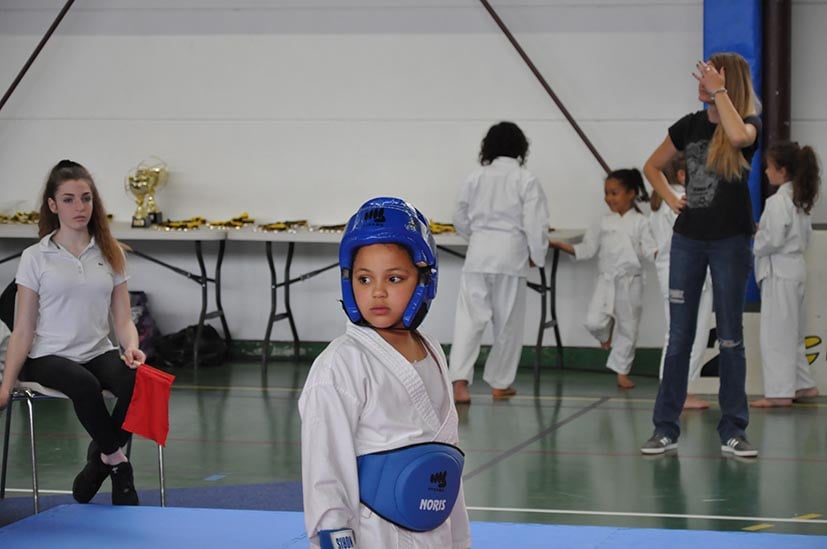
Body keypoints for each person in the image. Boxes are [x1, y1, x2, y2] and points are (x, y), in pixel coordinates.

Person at [299, 197, 471, 549]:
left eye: (394, 278)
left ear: (424, 280)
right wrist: (334, 535)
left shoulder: (432, 350)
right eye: (364, 279)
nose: (377, 292)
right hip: (375, 534)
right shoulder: (341, 364)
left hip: (434, 531)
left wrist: (460, 539)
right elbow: (325, 467)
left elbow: (446, 455)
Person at [0, 160, 144, 504]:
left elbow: (123, 319)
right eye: (68, 199)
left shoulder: (111, 252)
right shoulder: (35, 257)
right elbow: (23, 328)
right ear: (53, 205)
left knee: (138, 382)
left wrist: (131, 347)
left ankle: (101, 459)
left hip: (97, 350)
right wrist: (6, 385)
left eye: (86, 198)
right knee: (85, 385)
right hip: (46, 355)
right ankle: (118, 464)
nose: (80, 207)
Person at [641, 52, 762, 458]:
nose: (701, 80)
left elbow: (740, 137)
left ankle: (733, 430)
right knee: (679, 336)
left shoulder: (748, 123)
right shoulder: (687, 126)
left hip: (731, 241)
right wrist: (669, 197)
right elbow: (652, 166)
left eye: (709, 75)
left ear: (727, 82)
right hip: (688, 241)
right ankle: (665, 427)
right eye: (702, 75)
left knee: (730, 337)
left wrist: (721, 93)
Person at [449, 122, 549, 404]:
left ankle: (459, 384)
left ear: (488, 147)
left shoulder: (475, 177)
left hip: (478, 254)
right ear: (521, 148)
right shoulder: (526, 179)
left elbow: (458, 216)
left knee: (468, 321)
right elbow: (536, 224)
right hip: (510, 256)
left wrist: (475, 236)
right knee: (507, 324)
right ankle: (500, 383)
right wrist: (537, 255)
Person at [550, 168, 657, 389]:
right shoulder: (603, 222)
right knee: (593, 321)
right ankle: (604, 333)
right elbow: (587, 249)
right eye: (606, 193)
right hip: (606, 281)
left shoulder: (641, 222)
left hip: (631, 282)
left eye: (614, 193)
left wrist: (667, 253)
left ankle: (622, 372)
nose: (608, 198)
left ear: (631, 193)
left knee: (629, 328)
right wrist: (560, 245)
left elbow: (650, 251)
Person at [751, 141, 821, 408]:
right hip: (795, 270)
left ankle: (779, 393)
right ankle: (803, 384)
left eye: (769, 167)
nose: (766, 172)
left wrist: (757, 237)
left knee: (777, 334)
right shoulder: (800, 201)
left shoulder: (777, 201)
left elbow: (773, 239)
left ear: (782, 171)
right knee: (793, 332)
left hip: (780, 272)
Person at [649, 152, 713, 409]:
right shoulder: (681, 200)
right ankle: (677, 392)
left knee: (678, 332)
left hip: (675, 271)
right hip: (687, 272)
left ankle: (676, 390)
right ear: (683, 174)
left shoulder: (663, 200)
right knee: (689, 334)